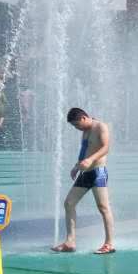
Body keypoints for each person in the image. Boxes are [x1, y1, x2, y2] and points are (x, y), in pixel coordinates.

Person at [50, 107, 115, 254]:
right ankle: (70, 242)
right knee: (69, 203)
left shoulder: (101, 126)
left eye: (77, 125)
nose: (76, 128)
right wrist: (76, 166)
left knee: (103, 207)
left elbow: (106, 148)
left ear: (83, 118)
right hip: (85, 173)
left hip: (98, 172)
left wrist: (91, 159)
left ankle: (109, 244)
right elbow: (85, 151)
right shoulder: (85, 131)